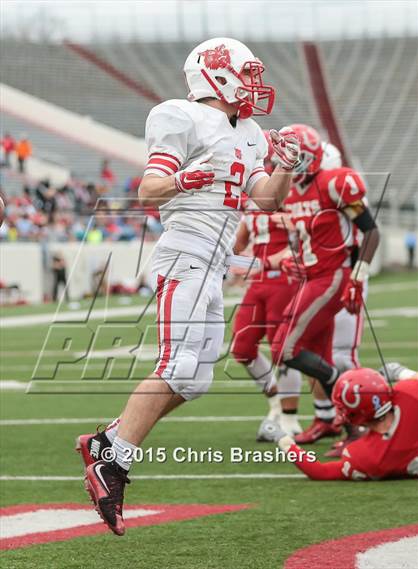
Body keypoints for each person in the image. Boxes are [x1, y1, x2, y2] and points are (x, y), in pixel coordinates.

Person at [76, 37, 301, 536]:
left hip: (216, 258)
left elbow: (265, 200)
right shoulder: (180, 115)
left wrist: (285, 166)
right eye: (247, 74)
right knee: (176, 363)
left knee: (196, 379)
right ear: (217, 76)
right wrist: (188, 178)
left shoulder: (251, 133)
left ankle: (108, 441)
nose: (254, 85)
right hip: (185, 249)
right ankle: (113, 462)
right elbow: (149, 189)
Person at [269, 124, 380, 444]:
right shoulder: (288, 189)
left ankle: (340, 388)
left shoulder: (335, 183)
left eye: (294, 156)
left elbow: (371, 232)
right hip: (311, 276)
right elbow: (310, 238)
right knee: (320, 351)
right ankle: (351, 430)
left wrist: (357, 276)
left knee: (284, 348)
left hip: (332, 277)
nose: (288, 161)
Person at [231, 133, 303, 439]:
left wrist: (281, 257)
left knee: (281, 351)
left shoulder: (295, 200)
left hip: (284, 281)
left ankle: (290, 418)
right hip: (258, 283)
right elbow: (240, 243)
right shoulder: (254, 202)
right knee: (242, 348)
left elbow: (310, 238)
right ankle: (275, 401)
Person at [275, 367, 418, 480]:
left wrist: (286, 444)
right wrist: (401, 372)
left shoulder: (367, 456)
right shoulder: (409, 393)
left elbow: (320, 471)